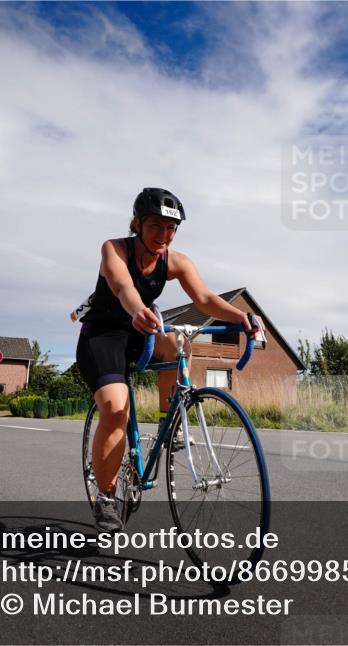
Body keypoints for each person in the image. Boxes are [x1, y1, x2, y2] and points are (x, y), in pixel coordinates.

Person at [75, 187, 261, 533]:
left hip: (140, 330)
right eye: (155, 226)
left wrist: (241, 317)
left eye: (170, 228)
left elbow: (204, 297)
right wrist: (137, 310)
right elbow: (122, 286)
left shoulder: (175, 261)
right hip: (102, 337)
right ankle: (104, 497)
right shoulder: (113, 249)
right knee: (117, 409)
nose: (164, 235)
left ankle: (167, 423)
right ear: (137, 224)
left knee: (177, 344)